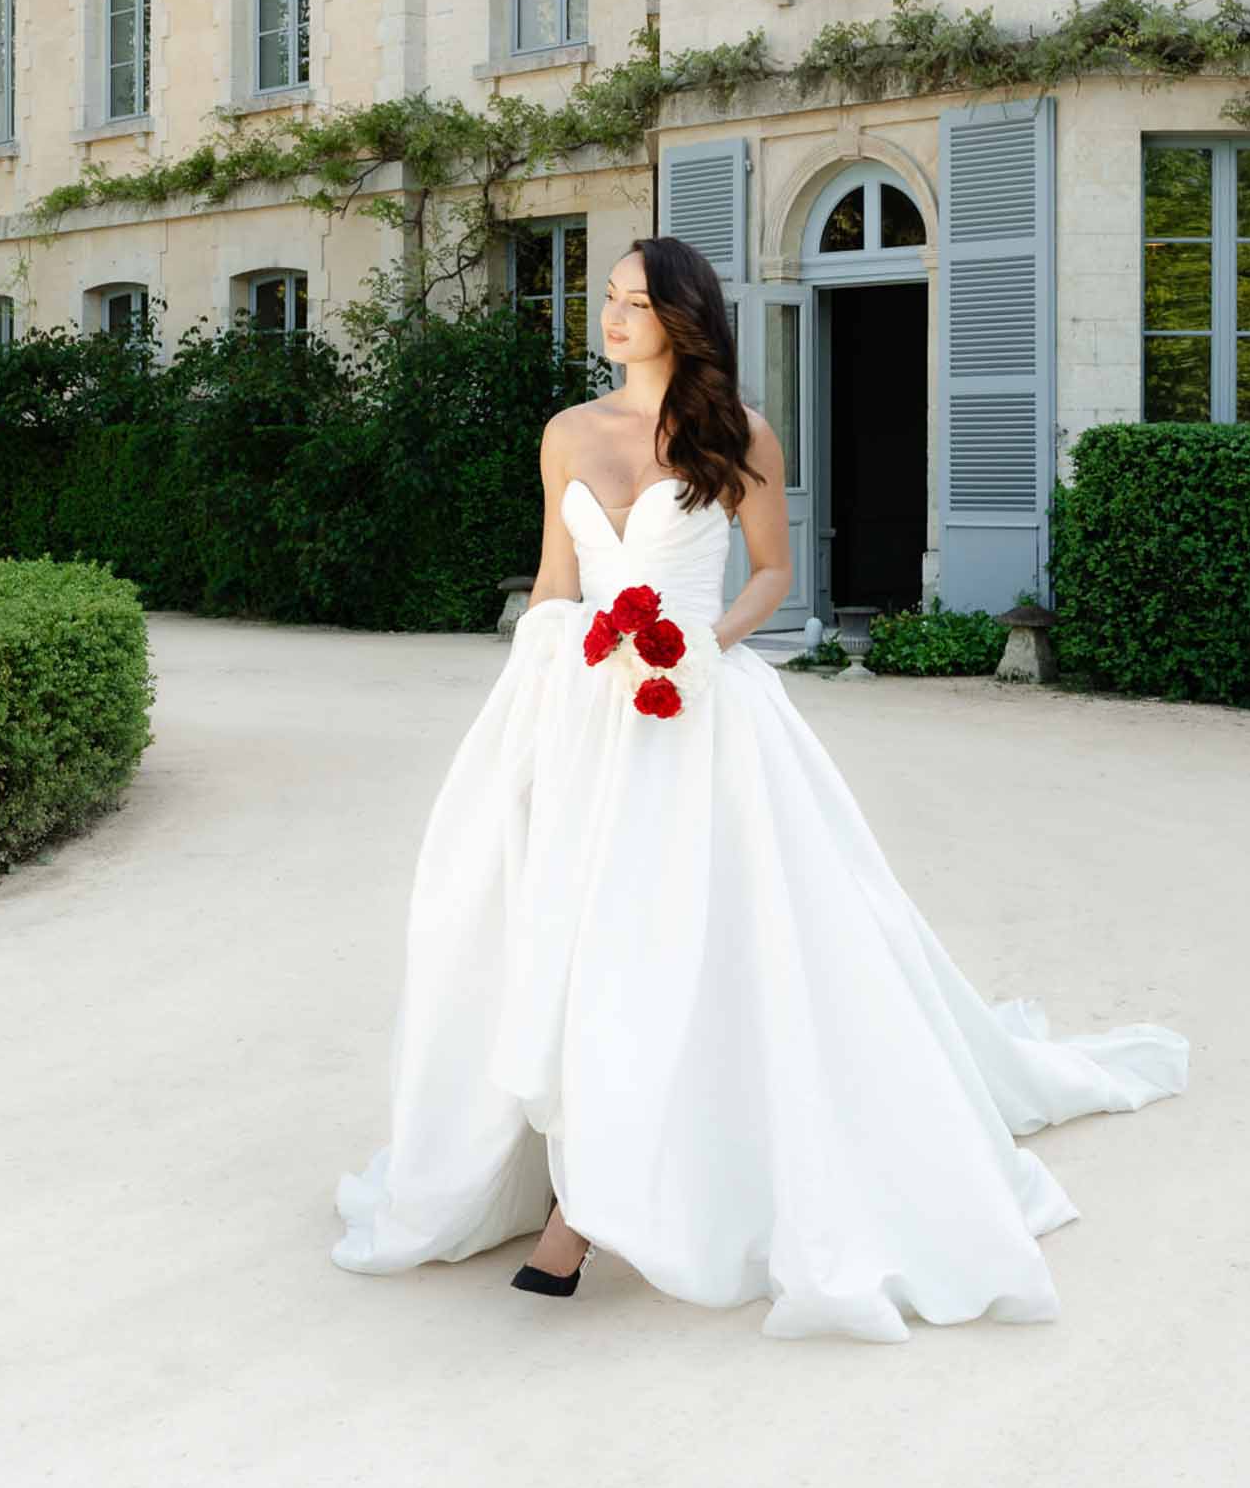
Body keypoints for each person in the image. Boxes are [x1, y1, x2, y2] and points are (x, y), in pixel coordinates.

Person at [331, 235, 1189, 1343]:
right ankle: (575, 1176)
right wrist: (537, 698)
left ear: (686, 318)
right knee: (567, 937)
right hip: (581, 708)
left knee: (671, 943)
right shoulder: (567, 434)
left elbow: (773, 570)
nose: (615, 317)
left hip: (698, 712)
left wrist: (703, 642)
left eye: (638, 303)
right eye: (610, 300)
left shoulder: (739, 434)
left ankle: (582, 1211)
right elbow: (554, 579)